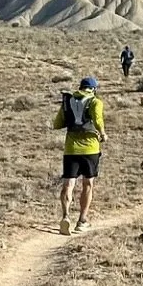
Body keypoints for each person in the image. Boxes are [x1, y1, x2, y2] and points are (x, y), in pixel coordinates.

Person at [51, 75, 106, 234]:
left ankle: (65, 216)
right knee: (88, 184)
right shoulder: (95, 101)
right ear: (94, 89)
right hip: (91, 149)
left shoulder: (68, 101)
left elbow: (57, 124)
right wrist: (102, 134)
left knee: (68, 184)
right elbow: (98, 120)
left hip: (71, 149)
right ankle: (82, 220)